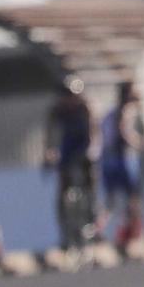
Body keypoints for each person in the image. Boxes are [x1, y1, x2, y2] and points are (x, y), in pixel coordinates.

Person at [43, 78, 97, 241]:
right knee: (63, 185)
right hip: (68, 147)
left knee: (90, 180)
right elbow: (50, 135)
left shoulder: (85, 107)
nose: (69, 99)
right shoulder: (57, 110)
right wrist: (49, 152)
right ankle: (64, 228)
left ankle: (91, 219)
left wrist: (90, 152)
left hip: (83, 145)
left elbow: (93, 134)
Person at [99, 82, 144, 242]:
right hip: (122, 159)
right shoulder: (125, 110)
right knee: (132, 197)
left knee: (111, 200)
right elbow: (123, 131)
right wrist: (138, 143)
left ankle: (101, 229)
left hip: (107, 159)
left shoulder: (110, 112)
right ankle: (133, 233)